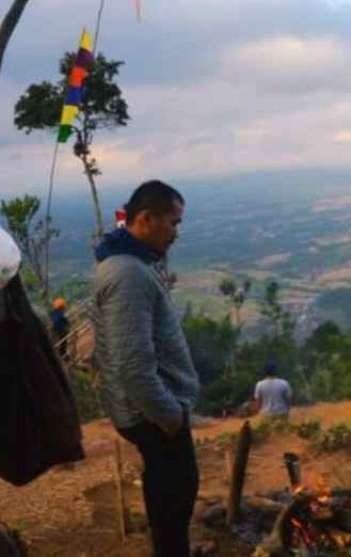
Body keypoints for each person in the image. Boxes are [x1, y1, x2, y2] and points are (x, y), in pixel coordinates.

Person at [92, 180, 200, 557]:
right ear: (146, 218)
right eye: (174, 222)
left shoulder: (128, 265)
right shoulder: (128, 275)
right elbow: (131, 363)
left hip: (149, 410)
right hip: (152, 413)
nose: (176, 233)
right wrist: (169, 415)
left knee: (168, 495)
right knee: (175, 497)